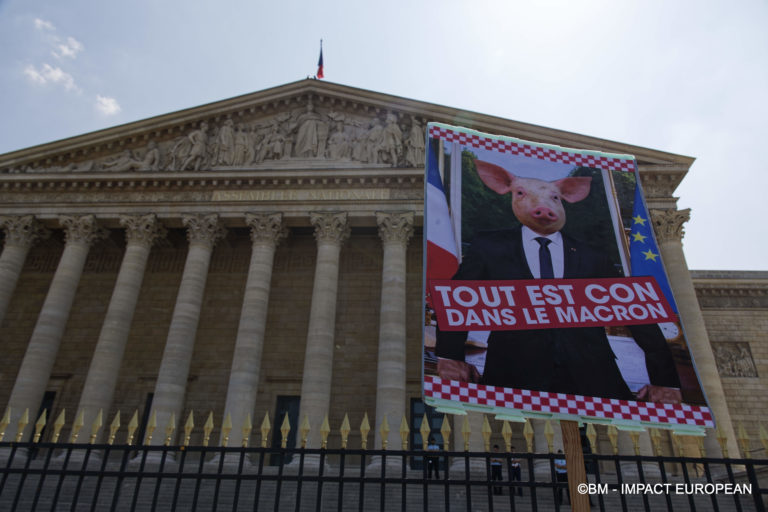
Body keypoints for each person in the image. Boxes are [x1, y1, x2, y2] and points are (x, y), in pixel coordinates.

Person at [435, 162, 682, 402]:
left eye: (553, 198)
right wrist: (450, 356)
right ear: (502, 187)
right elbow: (459, 298)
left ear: (570, 195)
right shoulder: (489, 246)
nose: (541, 207)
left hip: (592, 375)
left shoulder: (592, 255)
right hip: (513, 373)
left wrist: (666, 380)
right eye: (522, 194)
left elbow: (634, 310)